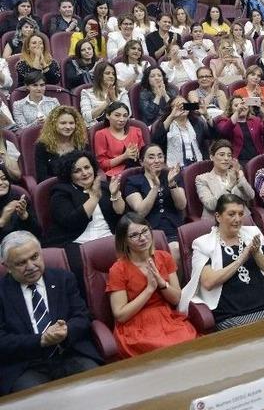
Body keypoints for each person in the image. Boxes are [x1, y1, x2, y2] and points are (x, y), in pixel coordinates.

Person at [0, 231, 101, 395]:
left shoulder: (63, 279)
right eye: (21, 263)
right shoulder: (2, 293)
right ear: (7, 267)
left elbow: (83, 317)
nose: (31, 266)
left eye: (34, 257)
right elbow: (2, 340)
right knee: (37, 401)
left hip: (69, 354)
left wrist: (66, 330)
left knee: (97, 390)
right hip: (27, 364)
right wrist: (40, 340)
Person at [179, 194, 264, 330]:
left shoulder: (252, 233)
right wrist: (240, 260)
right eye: (231, 214)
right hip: (231, 315)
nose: (237, 219)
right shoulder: (203, 244)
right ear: (218, 216)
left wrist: (256, 253)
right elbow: (208, 282)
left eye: (241, 214)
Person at [107, 213, 196, 358]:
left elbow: (176, 299)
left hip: (166, 319)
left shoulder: (164, 257)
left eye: (144, 231)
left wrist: (161, 283)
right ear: (125, 241)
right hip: (136, 325)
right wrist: (149, 289)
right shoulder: (118, 269)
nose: (142, 238)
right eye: (134, 235)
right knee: (163, 351)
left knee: (188, 345)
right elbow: (120, 315)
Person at [45, 151, 125, 294]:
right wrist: (94, 197)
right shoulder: (60, 193)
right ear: (69, 174)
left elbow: (120, 212)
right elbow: (72, 221)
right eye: (77, 171)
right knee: (79, 267)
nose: (84, 173)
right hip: (78, 241)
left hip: (108, 236)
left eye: (87, 168)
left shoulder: (105, 186)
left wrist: (114, 194)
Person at [123, 144, 186, 260]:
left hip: (174, 227)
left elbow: (181, 205)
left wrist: (172, 184)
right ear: (141, 162)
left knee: (179, 249)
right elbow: (141, 212)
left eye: (160, 156)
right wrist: (155, 187)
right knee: (174, 250)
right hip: (149, 232)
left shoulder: (172, 175)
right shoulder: (132, 181)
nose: (157, 160)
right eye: (151, 157)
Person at [195, 140, 254, 220]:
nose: (226, 158)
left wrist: (240, 178)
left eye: (229, 155)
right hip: (216, 222)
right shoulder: (202, 179)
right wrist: (230, 186)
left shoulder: (235, 173)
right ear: (212, 157)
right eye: (222, 155)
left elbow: (250, 196)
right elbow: (211, 205)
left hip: (241, 219)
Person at [34, 106, 88, 183]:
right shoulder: (42, 146)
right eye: (63, 123)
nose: (68, 127)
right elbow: (42, 178)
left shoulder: (81, 143)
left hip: (81, 185)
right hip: (55, 188)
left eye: (71, 123)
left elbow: (89, 169)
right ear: (53, 124)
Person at [149, 96, 207, 167]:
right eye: (178, 106)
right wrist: (171, 116)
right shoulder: (165, 124)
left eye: (185, 105)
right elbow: (155, 141)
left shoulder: (197, 122)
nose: (182, 108)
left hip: (198, 163)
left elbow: (214, 135)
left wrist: (206, 115)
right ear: (171, 109)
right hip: (175, 167)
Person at [215, 96, 264, 165]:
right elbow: (224, 131)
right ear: (230, 109)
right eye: (236, 105)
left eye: (243, 104)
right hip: (237, 162)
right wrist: (237, 112)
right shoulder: (223, 120)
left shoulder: (255, 120)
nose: (241, 107)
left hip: (258, 159)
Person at [93, 102, 145, 177]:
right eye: (117, 115)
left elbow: (144, 154)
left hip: (138, 170)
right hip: (116, 174)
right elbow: (102, 164)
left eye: (125, 116)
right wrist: (124, 156)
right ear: (108, 115)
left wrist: (138, 155)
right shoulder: (101, 134)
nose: (122, 119)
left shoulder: (136, 131)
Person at [0, 167, 40, 240]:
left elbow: (38, 234)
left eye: (4, 178)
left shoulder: (17, 197)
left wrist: (25, 216)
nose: (1, 183)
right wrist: (2, 220)